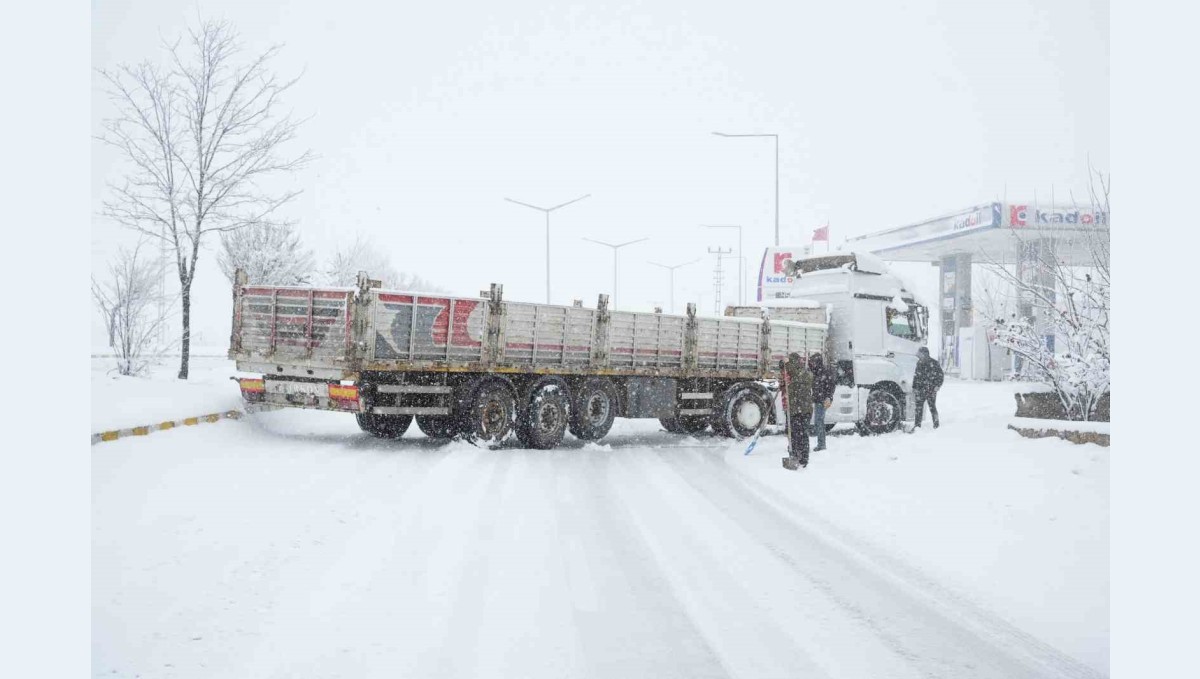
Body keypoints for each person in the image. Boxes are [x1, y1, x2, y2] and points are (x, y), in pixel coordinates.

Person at [781, 352, 813, 470]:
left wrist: (787, 364)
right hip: (796, 410)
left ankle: (803, 458)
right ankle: (795, 455)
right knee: (795, 434)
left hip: (802, 410)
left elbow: (797, 376)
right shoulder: (793, 374)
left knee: (802, 434)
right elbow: (788, 385)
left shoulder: (804, 373)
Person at [808, 352, 836, 451]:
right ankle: (821, 444)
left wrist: (829, 397)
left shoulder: (824, 372)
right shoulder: (817, 372)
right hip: (818, 399)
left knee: (819, 422)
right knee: (818, 422)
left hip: (823, 400)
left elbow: (831, 386)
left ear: (818, 362)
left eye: (813, 362)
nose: (812, 364)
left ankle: (821, 444)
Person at [913, 346, 944, 428]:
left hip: (931, 389)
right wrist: (914, 387)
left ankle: (936, 424)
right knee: (918, 408)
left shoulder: (934, 363)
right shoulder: (919, 363)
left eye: (920, 353)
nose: (918, 355)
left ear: (924, 354)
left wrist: (937, 385)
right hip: (920, 389)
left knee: (932, 407)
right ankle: (917, 426)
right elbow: (916, 376)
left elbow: (940, 376)